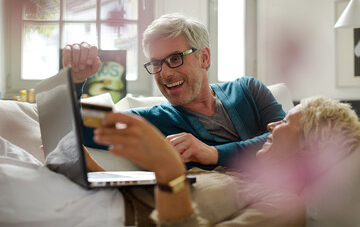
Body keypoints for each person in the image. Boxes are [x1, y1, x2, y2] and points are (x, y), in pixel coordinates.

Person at [87, 96, 360, 226]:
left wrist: (169, 172)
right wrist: (89, 167)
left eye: (286, 121)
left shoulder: (286, 206)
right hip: (95, 198)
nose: (271, 125)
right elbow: (134, 194)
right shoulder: (239, 176)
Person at [63, 13, 286, 171]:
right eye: (156, 63)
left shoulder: (248, 89)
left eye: (175, 59)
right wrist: (75, 81)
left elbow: (290, 138)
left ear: (204, 57)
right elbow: (75, 127)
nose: (165, 73)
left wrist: (212, 153)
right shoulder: (150, 120)